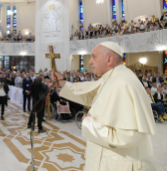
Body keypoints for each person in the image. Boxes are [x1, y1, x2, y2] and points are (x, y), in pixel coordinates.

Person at [53, 41, 157, 170]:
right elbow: (92, 96)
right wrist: (62, 82)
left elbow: (129, 136)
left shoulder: (122, 83)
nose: (90, 62)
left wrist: (88, 123)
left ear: (109, 59)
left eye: (94, 57)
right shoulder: (113, 78)